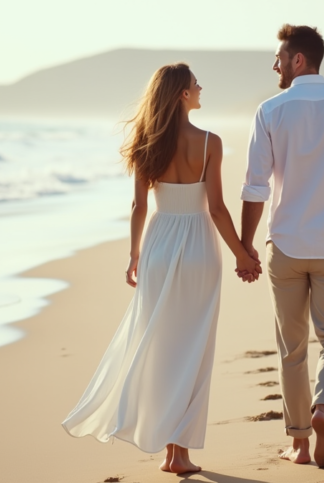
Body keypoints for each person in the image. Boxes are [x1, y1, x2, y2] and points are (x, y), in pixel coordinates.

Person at [61, 63, 260, 475]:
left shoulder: (144, 142)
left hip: (158, 245)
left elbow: (138, 207)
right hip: (200, 247)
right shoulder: (210, 143)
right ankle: (180, 452)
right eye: (195, 84)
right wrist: (242, 253)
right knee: (194, 347)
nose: (201, 87)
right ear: (182, 96)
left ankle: (172, 450)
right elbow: (219, 209)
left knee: (162, 348)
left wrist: (134, 254)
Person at [238, 25, 324, 468]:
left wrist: (246, 245)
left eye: (279, 56)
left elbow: (255, 188)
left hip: (288, 245)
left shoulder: (270, 110)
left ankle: (299, 444)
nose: (275, 64)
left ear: (299, 59)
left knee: (292, 347)